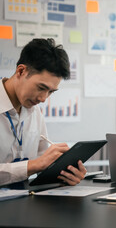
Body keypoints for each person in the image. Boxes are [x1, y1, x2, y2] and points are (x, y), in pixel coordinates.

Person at [0, 38, 87, 186]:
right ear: (21, 71)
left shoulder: (34, 112)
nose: (43, 98)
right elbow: (38, 164)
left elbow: (43, 164)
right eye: (41, 88)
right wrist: (34, 165)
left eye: (51, 92)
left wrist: (66, 173)